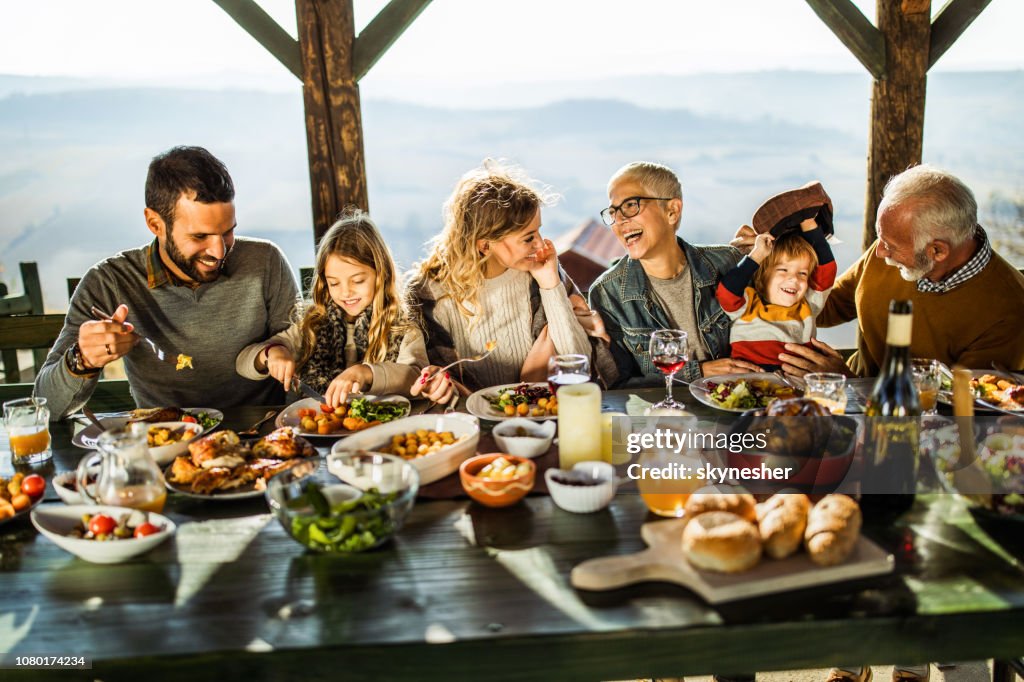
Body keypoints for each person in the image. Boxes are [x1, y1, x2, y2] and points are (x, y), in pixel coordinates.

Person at [34, 146, 299, 419]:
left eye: (228, 232)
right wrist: (82, 360)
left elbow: (303, 360)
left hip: (263, 438)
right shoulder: (109, 282)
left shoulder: (266, 261)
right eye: (199, 237)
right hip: (166, 441)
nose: (219, 251)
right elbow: (48, 406)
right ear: (155, 223)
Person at [763, 164, 1024, 377]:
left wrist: (844, 382)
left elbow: (957, 416)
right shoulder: (894, 247)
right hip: (846, 398)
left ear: (938, 251)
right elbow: (827, 307)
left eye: (890, 245)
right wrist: (771, 265)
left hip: (913, 429)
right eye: (881, 239)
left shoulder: (1008, 310)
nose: (879, 253)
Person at [406, 160, 615, 403]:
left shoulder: (541, 272)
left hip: (544, 412)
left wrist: (550, 285)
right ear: (485, 245)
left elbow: (577, 365)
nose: (541, 244)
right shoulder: (429, 293)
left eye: (539, 231)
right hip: (470, 419)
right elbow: (429, 378)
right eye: (528, 238)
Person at [588, 161, 762, 386]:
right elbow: (621, 385)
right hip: (662, 418)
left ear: (672, 211)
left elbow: (771, 328)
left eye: (631, 205)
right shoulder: (607, 293)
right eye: (613, 212)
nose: (620, 220)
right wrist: (698, 372)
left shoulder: (727, 262)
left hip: (738, 406)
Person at [237, 210, 427, 407]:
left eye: (358, 280)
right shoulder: (312, 325)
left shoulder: (403, 328)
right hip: (315, 431)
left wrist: (367, 372)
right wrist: (271, 354)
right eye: (334, 283)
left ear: (382, 275)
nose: (345, 292)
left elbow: (417, 378)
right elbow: (242, 362)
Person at [716, 204, 836, 371]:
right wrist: (757, 255)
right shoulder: (748, 305)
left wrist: (808, 221)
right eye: (783, 270)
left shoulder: (808, 305)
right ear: (763, 275)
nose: (794, 278)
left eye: (802, 273)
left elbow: (826, 269)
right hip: (748, 387)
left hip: (794, 389)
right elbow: (727, 291)